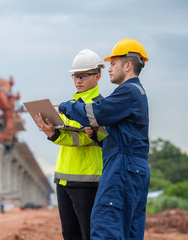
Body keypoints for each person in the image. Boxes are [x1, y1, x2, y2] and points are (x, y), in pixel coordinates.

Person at [57, 39, 150, 239]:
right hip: (131, 165)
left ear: (127, 65)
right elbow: (120, 134)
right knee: (128, 231)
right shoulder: (136, 92)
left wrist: (66, 106)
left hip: (123, 167)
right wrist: (99, 137)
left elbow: (96, 113)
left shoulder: (128, 91)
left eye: (113, 63)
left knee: (106, 226)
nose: (109, 69)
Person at [35, 49, 106, 240]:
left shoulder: (100, 106)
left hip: (87, 183)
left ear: (97, 77)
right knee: (70, 235)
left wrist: (54, 135)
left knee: (88, 234)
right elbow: (70, 137)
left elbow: (82, 138)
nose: (78, 80)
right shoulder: (71, 104)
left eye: (82, 76)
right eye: (75, 76)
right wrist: (53, 131)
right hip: (63, 181)